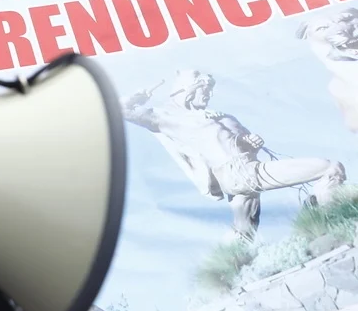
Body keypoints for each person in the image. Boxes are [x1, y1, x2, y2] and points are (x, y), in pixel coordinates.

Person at [123, 72, 345, 241]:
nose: (208, 94)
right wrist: (137, 97)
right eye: (204, 89)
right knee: (329, 168)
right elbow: (122, 110)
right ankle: (332, 222)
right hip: (241, 173)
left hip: (241, 172)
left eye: (210, 89)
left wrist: (248, 143)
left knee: (243, 229)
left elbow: (230, 144)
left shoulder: (211, 116)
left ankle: (223, 273)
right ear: (188, 89)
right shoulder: (167, 117)